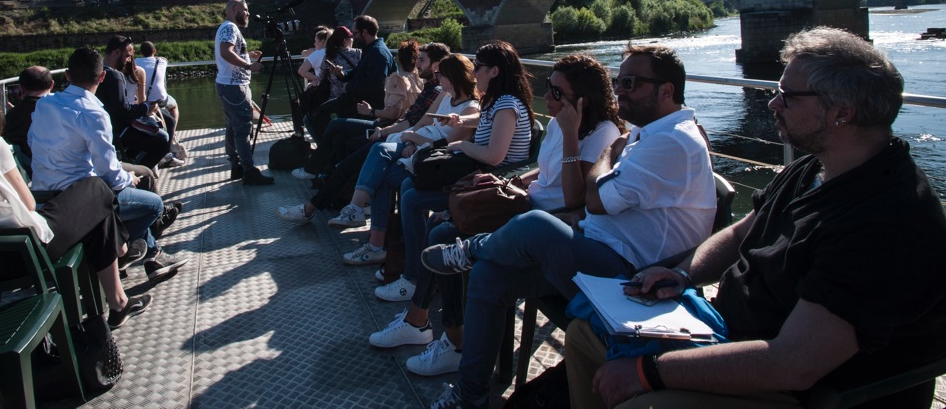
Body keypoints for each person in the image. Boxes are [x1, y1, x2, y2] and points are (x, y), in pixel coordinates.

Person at [568, 27, 946, 409]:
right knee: (584, 335)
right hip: (735, 337)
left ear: (842, 113)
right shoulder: (814, 169)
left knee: (639, 403)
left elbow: (793, 363)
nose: (773, 104)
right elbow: (740, 234)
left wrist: (647, 372)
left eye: (788, 95)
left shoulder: (884, 221)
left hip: (803, 390)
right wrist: (682, 274)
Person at [421, 44, 716, 409]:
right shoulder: (648, 134)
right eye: (617, 82)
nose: (620, 91)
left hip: (636, 274)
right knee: (488, 276)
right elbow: (596, 198)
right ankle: (470, 395)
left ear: (666, 90)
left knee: (536, 225)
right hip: (598, 244)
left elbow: (593, 199)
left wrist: (609, 154)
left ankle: (471, 249)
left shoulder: (669, 140)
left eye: (629, 83)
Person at [373, 55, 626, 378]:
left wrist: (570, 136)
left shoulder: (600, 133)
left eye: (556, 92)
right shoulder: (557, 122)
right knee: (439, 224)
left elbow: (575, 197)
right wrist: (512, 181)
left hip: (547, 220)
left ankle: (436, 331)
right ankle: (431, 326)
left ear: (583, 99)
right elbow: (544, 173)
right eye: (548, 87)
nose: (547, 96)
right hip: (524, 202)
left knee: (443, 234)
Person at [0, 66, 152, 329]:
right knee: (96, 188)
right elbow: (29, 204)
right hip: (21, 252)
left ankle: (119, 300)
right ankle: (121, 256)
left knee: (97, 213)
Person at [30, 47, 188, 284]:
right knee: (153, 204)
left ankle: (150, 253)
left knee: (139, 178)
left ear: (67, 75)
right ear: (102, 77)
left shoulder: (44, 105)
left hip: (44, 194)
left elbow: (34, 143)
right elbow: (108, 172)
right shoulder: (93, 113)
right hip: (79, 199)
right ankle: (127, 248)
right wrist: (128, 179)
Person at [326, 54, 482, 266]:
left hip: (432, 158)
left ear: (453, 77)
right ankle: (362, 221)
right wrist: (410, 140)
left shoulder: (470, 108)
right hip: (416, 146)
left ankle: (368, 232)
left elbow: (448, 144)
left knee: (380, 169)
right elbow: (423, 122)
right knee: (379, 155)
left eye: (441, 75)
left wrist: (413, 140)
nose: (438, 79)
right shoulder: (444, 96)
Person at [277, 42, 451, 224]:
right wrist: (385, 129)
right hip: (397, 133)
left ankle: (314, 205)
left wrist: (384, 128)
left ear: (436, 65)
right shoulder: (430, 88)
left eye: (422, 60)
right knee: (340, 138)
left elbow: (414, 124)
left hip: (403, 140)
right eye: (417, 59)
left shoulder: (436, 91)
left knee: (347, 158)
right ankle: (343, 193)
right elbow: (413, 121)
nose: (417, 63)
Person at [293, 38, 423, 181]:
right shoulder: (417, 79)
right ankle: (333, 173)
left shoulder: (397, 79)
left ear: (398, 58)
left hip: (386, 125)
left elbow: (393, 113)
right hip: (397, 125)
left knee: (335, 124)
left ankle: (314, 168)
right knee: (338, 137)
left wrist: (370, 111)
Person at [215, 0, 275, 185]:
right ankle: (249, 171)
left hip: (228, 85)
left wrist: (246, 56)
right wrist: (249, 65)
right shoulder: (230, 28)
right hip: (234, 87)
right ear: (234, 10)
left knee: (232, 127)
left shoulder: (226, 27)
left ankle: (236, 167)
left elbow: (229, 53)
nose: (248, 13)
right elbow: (226, 52)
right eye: (246, 10)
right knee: (242, 129)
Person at [98, 35, 172, 167]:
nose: (128, 60)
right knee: (163, 141)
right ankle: (137, 173)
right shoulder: (115, 75)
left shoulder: (97, 72)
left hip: (104, 128)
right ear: (116, 53)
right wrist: (146, 108)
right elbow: (123, 110)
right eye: (127, 56)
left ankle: (131, 164)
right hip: (119, 130)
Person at [135, 41, 186, 161]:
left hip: (142, 100)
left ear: (140, 52)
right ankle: (173, 132)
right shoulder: (161, 62)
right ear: (154, 51)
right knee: (173, 106)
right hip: (160, 99)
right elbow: (164, 58)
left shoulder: (135, 62)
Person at [2, 65, 54, 175]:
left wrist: (16, 112)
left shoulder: (12, 116)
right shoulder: (61, 110)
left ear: (21, 88)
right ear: (52, 85)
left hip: (28, 171)